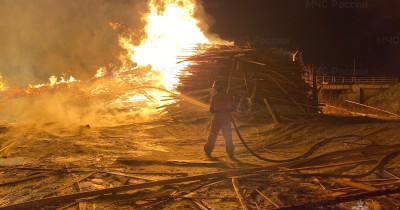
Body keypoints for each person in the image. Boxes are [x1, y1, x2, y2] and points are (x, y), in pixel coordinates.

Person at [204, 80, 234, 158]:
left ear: (216, 88)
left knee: (213, 135)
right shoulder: (229, 96)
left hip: (217, 118)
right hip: (226, 118)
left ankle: (208, 150)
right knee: (227, 135)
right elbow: (232, 108)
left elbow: (211, 110)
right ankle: (230, 152)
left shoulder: (214, 97)